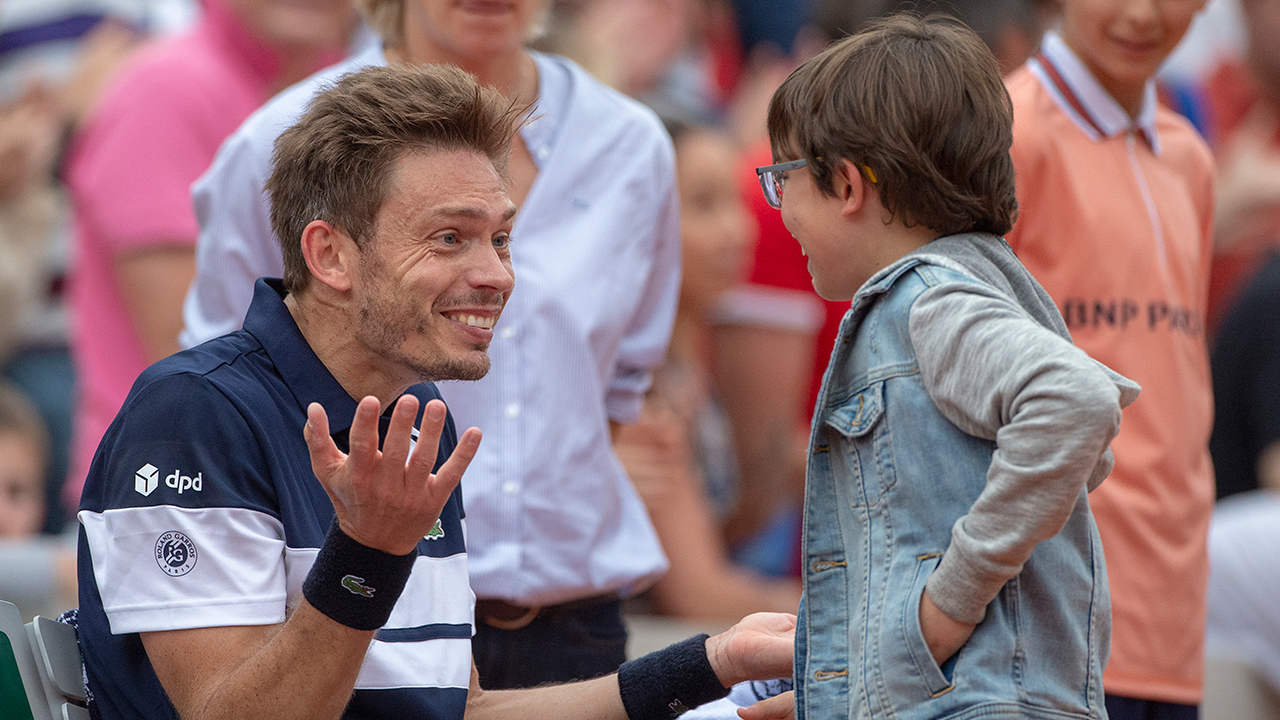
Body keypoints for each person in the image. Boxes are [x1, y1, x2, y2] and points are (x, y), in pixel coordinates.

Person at [76, 63, 794, 720]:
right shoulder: (191, 416)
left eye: (502, 240)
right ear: (329, 255)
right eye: (450, 238)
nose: (498, 276)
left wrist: (711, 665)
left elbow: (468, 711)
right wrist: (368, 552)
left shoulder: (417, 418)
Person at [180, 0, 681, 689]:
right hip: (363, 609)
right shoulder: (277, 139)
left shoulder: (632, 143)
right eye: (449, 236)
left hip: (572, 621)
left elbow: (622, 383)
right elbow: (225, 380)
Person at [740, 14, 1139, 719]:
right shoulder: (982, 288)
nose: (782, 207)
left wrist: (949, 603)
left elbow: (1075, 402)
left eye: (783, 178)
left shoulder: (930, 303)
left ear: (845, 185)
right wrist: (840, 691)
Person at [1003, 0, 1216, 715]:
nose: (1142, 14)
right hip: (1048, 616)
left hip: (1173, 623)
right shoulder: (1004, 131)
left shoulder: (1189, 159)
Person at [62, 0, 355, 516]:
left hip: (296, 474)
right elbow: (185, 345)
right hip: (167, 483)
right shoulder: (164, 87)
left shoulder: (357, 90)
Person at [613, 121, 800, 621]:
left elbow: (728, 528)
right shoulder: (631, 379)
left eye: (737, 201)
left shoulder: (686, 357)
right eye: (703, 205)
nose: (738, 230)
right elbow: (701, 595)